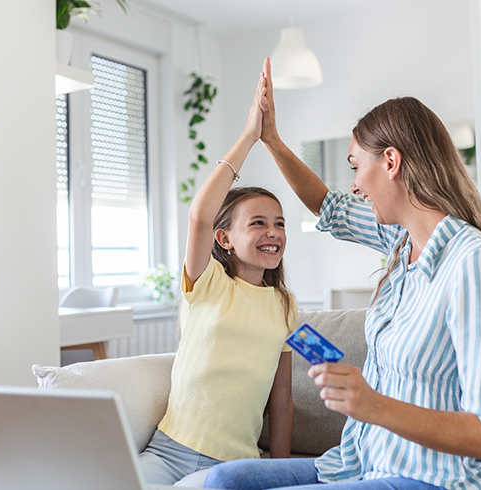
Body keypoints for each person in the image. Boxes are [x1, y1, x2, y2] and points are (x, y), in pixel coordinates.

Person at [204, 59, 481, 490]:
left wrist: (373, 405)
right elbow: (330, 206)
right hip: (364, 462)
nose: (354, 185)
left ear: (391, 161)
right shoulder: (401, 242)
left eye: (356, 166)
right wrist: (271, 141)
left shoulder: (474, 263)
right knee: (227, 480)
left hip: (442, 480)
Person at [138, 70, 296, 486]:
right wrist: (249, 137)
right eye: (258, 223)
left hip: (235, 466)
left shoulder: (284, 305)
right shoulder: (206, 282)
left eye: (279, 224)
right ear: (223, 238)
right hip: (168, 451)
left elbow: (281, 401)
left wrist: (281, 475)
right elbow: (200, 215)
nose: (273, 232)